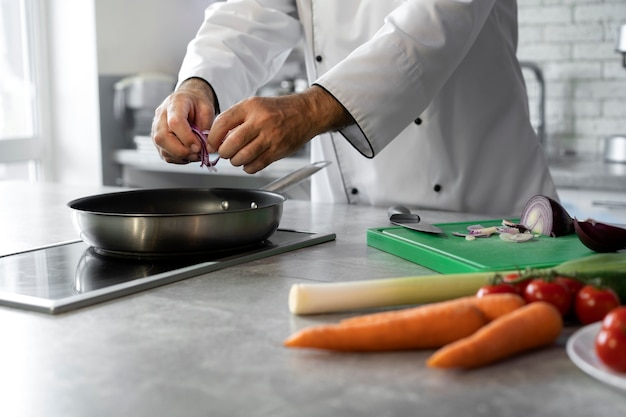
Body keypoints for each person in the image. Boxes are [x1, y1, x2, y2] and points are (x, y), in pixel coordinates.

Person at [151, 0, 558, 217]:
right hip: (351, 221)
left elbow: (437, 19)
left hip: (481, 208)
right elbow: (248, 16)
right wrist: (199, 84)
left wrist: (310, 110)